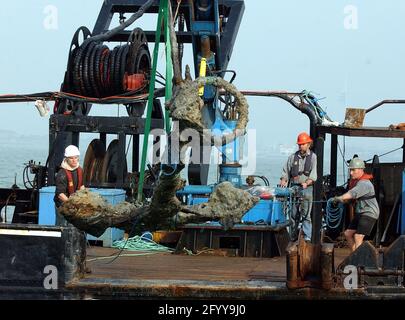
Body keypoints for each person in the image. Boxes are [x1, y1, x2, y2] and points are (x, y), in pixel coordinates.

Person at [332, 158, 379, 252]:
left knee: (358, 236)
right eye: (350, 170)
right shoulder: (357, 182)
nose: (351, 173)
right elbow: (351, 199)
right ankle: (354, 255)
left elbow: (351, 194)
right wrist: (342, 201)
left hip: (369, 213)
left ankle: (358, 261)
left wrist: (339, 198)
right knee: (348, 233)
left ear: (361, 169)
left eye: (353, 170)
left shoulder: (364, 183)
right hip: (361, 212)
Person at [279, 132, 317, 241]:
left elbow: (314, 174)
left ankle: (307, 237)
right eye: (299, 144)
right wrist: (283, 180)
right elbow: (286, 171)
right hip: (294, 187)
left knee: (306, 214)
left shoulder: (313, 157)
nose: (301, 146)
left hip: (307, 188)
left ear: (308, 144)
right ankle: (293, 236)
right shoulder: (292, 157)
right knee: (293, 214)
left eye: (303, 144)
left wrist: (307, 182)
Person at [54, 145, 85, 226]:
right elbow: (60, 194)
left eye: (76, 157)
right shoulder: (62, 174)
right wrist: (71, 204)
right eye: (71, 158)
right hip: (62, 205)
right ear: (66, 158)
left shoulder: (80, 170)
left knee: (76, 226)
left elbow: (81, 186)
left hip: (74, 204)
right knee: (63, 227)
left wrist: (84, 198)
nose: (74, 160)